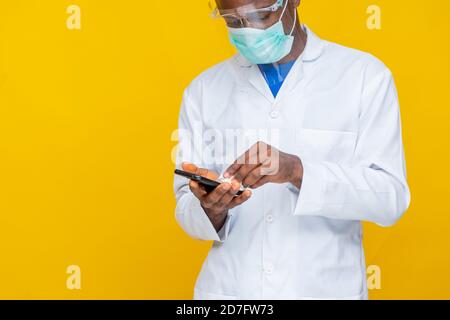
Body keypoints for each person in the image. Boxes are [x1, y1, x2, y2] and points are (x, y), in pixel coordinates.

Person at [174, 0, 410, 300]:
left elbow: (390, 199)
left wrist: (298, 171)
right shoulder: (203, 90)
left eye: (260, 15)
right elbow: (186, 206)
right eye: (233, 20)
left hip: (324, 290)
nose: (249, 30)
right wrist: (211, 208)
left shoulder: (364, 77)